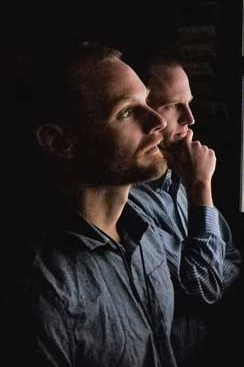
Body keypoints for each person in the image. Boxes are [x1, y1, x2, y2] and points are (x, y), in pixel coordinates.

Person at [17, 42, 179, 367]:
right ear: (60, 141)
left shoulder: (146, 233)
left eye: (146, 101)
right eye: (127, 112)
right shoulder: (44, 290)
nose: (157, 121)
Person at [125, 48, 242, 367]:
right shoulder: (126, 203)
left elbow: (231, 258)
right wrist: (201, 187)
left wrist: (206, 275)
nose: (190, 120)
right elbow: (207, 286)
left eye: (188, 103)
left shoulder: (178, 174)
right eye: (173, 106)